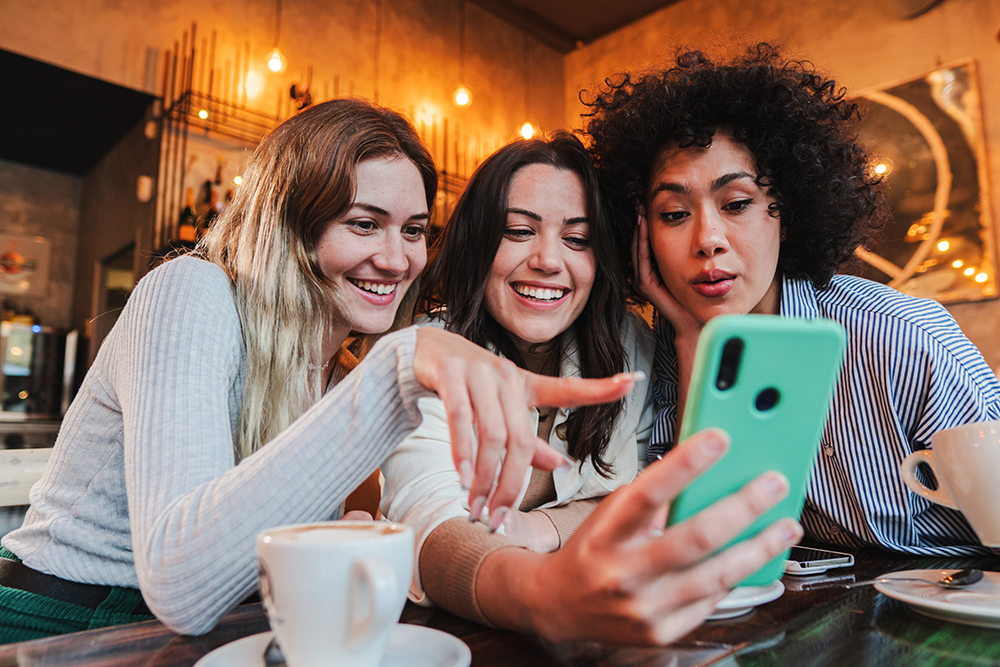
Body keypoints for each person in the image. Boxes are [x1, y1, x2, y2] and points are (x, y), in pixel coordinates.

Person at [0, 99, 639, 644]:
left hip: (203, 631)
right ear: (290, 224)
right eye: (364, 224)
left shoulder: (334, 370)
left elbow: (240, 542)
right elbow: (182, 581)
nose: (397, 259)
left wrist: (335, 536)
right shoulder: (191, 291)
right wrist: (396, 370)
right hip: (62, 625)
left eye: (414, 230)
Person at [381, 132, 803, 644]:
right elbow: (435, 528)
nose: (548, 261)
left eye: (577, 239)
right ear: (476, 240)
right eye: (518, 231)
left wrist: (546, 529)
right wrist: (545, 595)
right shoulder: (423, 354)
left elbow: (654, 495)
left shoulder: (629, 346)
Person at [582, 43, 1000, 557]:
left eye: (736, 203)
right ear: (640, 232)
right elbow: (697, 541)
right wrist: (694, 348)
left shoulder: (896, 337)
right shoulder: (654, 355)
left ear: (787, 210)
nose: (706, 239)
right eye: (673, 214)